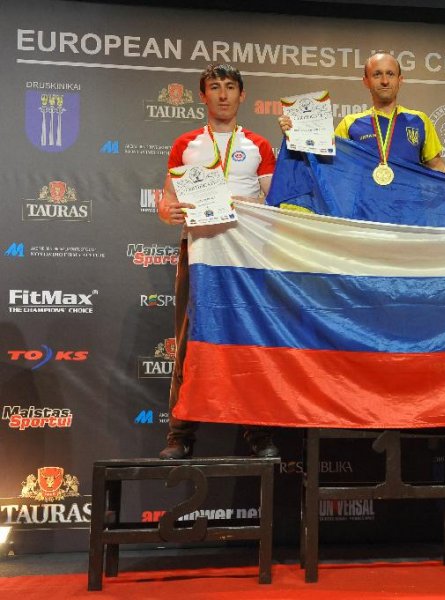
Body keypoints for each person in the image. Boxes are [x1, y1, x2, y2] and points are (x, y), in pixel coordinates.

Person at [156, 63, 279, 460]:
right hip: (200, 252)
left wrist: (235, 203)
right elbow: (166, 200)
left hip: (246, 254)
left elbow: (273, 205)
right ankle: (179, 435)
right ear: (203, 95)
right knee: (190, 340)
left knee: (251, 338)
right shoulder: (185, 144)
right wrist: (168, 211)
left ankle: (258, 431)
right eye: (214, 87)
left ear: (242, 96)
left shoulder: (259, 145)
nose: (223, 94)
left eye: (230, 87)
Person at [279, 51, 445, 206]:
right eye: (377, 74)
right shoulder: (350, 123)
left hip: (409, 211)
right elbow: (325, 162)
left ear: (400, 80)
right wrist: (296, 134)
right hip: (363, 211)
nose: (385, 80)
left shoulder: (419, 120)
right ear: (366, 81)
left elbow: (437, 166)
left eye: (390, 74)